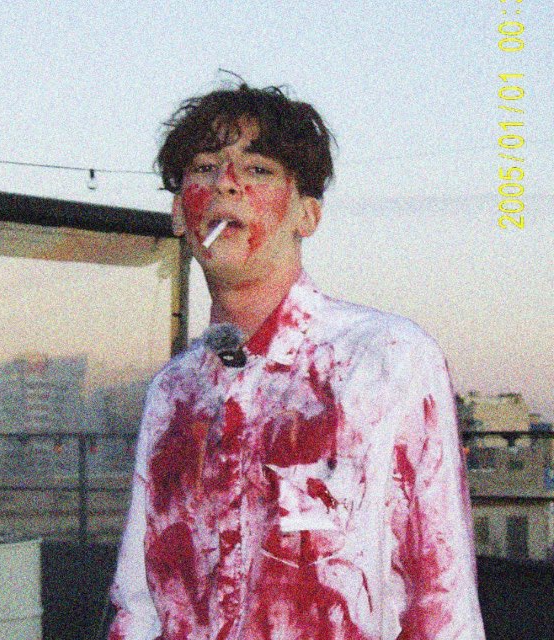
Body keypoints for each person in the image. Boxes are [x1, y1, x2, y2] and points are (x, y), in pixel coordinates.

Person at [108, 83, 485, 640]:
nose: (226, 182)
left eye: (258, 169)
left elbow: (442, 601)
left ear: (306, 215)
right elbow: (139, 602)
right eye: (205, 167)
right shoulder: (174, 392)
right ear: (179, 215)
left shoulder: (385, 360)